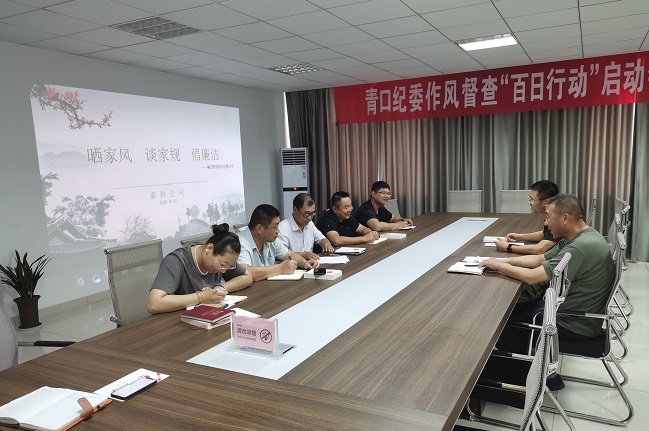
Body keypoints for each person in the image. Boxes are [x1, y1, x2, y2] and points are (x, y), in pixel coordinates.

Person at [479, 194, 615, 389]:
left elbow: (532, 276)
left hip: (574, 322)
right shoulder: (580, 237)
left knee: (498, 319)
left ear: (565, 218)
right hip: (573, 313)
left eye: (548, 217)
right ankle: (539, 367)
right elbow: (539, 259)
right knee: (515, 309)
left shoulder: (579, 247)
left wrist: (499, 266)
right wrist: (499, 261)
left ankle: (535, 377)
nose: (545, 223)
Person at [147, 223, 252, 314]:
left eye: (228, 267)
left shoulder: (220, 260)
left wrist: (220, 288)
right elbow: (154, 304)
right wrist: (201, 297)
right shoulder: (175, 261)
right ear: (209, 248)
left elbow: (247, 277)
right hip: (178, 322)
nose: (224, 270)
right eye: (223, 265)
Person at [237, 204, 318, 281]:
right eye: (274, 227)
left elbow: (290, 255)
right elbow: (245, 272)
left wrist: (305, 263)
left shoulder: (270, 240)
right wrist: (280, 268)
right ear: (259, 229)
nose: (278, 231)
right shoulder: (240, 242)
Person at [495, 180, 559, 255]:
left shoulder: (557, 219)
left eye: (532, 199)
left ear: (546, 202)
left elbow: (539, 249)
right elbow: (546, 234)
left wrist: (507, 247)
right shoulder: (551, 215)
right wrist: (519, 237)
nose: (529, 203)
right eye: (529, 198)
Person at [278, 193, 334, 260]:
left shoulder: (310, 224)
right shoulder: (282, 229)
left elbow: (321, 239)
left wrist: (326, 243)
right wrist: (303, 255)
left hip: (311, 263)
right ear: (295, 209)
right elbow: (280, 254)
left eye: (312, 213)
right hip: (294, 265)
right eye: (307, 214)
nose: (310, 218)